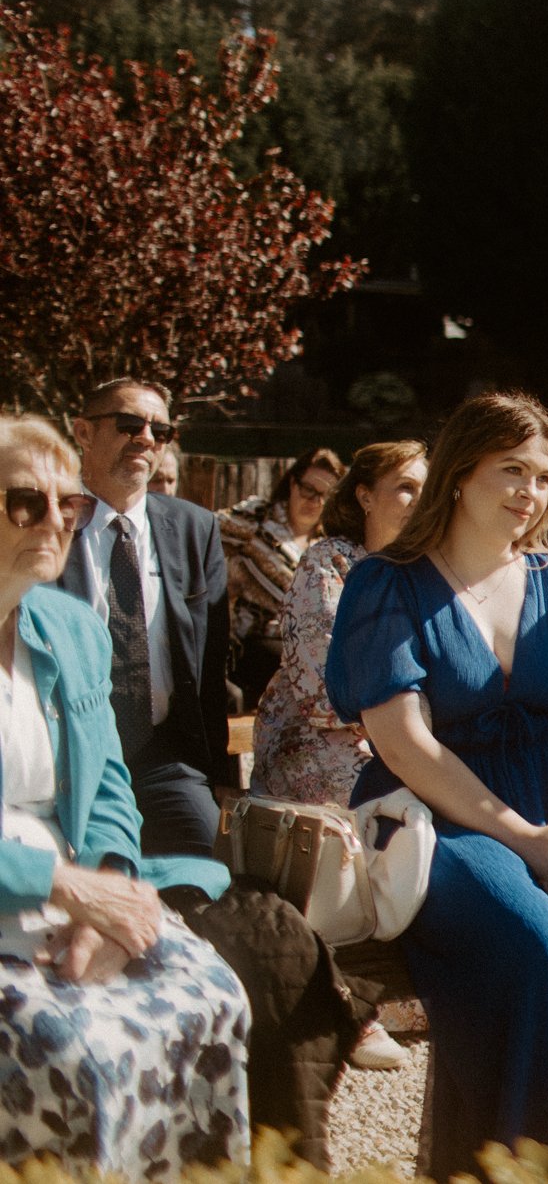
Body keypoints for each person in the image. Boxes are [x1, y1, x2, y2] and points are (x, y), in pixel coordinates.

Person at [325, 392, 548, 1176]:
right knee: (540, 945)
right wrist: (521, 838)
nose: (531, 490)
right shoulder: (387, 585)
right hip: (437, 810)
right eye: (510, 471)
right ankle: (523, 1165)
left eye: (540, 473)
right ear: (458, 474)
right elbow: (404, 741)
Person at [0, 414, 252, 1175]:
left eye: (66, 504)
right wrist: (64, 886)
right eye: (24, 502)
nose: (54, 519)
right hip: (28, 893)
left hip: (74, 892)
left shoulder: (70, 623)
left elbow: (111, 779)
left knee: (215, 1000)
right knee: (76, 1050)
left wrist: (110, 883)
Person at [246, 440, 426, 1074]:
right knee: (392, 794)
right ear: (365, 496)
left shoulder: (425, 570)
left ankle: (410, 983)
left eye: (427, 488)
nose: (419, 499)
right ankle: (353, 1002)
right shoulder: (331, 562)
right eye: (404, 487)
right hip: (316, 739)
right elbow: (323, 682)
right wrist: (412, 734)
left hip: (396, 737)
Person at [57, 377, 232, 856]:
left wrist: (215, 776)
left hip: (164, 760)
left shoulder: (194, 529)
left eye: (162, 430)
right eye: (130, 423)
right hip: (66, 759)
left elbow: (210, 666)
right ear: (83, 432)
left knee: (211, 878)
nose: (147, 438)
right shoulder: (50, 524)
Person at [219, 447, 344, 706]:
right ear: (292, 483)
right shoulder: (258, 519)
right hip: (256, 643)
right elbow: (203, 529)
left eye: (325, 495)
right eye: (309, 490)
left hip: (312, 647)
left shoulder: (329, 545)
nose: (314, 501)